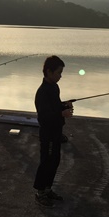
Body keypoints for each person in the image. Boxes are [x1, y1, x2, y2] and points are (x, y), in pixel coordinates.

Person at [33, 55, 73, 207]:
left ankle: (48, 189)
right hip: (47, 134)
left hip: (56, 132)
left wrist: (64, 106)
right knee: (46, 162)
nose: (60, 76)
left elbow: (54, 106)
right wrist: (61, 114)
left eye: (61, 73)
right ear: (49, 72)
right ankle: (40, 192)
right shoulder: (42, 92)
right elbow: (44, 116)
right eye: (58, 73)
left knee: (55, 161)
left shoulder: (54, 87)